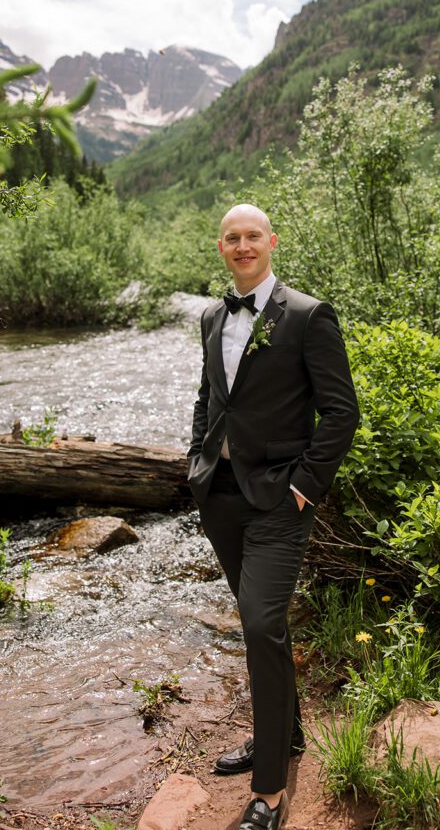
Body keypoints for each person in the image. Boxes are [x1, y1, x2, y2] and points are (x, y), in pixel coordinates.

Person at [187, 203, 360, 830]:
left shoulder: (310, 316)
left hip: (281, 501)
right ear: (221, 246)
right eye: (231, 238)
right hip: (221, 496)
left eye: (251, 236)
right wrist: (194, 464)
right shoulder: (211, 315)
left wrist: (304, 489)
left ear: (271, 242)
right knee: (264, 628)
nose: (241, 245)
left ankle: (269, 792)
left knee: (260, 627)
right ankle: (283, 739)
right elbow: (210, 397)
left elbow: (342, 412)